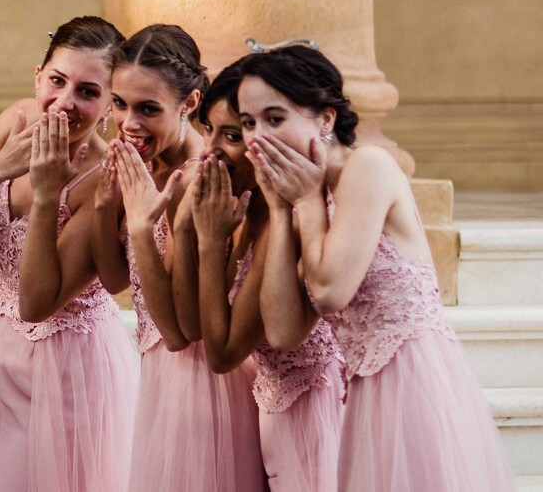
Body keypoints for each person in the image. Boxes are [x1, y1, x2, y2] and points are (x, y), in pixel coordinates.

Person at [236, 43, 514, 492]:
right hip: (365, 392)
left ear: (325, 119)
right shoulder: (308, 196)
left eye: (274, 118)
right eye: (248, 123)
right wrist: (281, 210)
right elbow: (286, 331)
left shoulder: (369, 166)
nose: (256, 138)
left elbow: (330, 292)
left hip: (411, 379)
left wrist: (305, 203)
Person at [0, 16, 135, 492]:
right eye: (57, 81)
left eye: (88, 91)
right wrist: (1, 165)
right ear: (38, 75)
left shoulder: (103, 178)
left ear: (110, 106)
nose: (65, 101)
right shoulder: (18, 120)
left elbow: (37, 301)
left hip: (66, 371)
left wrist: (44, 193)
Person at [98, 26, 264, 491]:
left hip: (201, 388)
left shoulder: (194, 179)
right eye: (119, 103)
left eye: (148, 108)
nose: (129, 122)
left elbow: (177, 331)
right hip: (161, 378)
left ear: (190, 103)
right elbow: (112, 279)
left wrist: (137, 225)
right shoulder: (147, 168)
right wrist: (105, 200)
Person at [177, 58, 343, 492]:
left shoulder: (278, 219)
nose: (209, 149)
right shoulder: (248, 207)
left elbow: (223, 351)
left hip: (313, 419)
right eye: (207, 129)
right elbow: (196, 325)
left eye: (232, 135)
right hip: (272, 417)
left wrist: (212, 245)